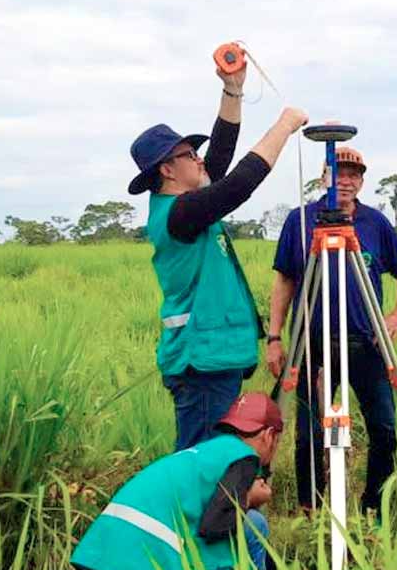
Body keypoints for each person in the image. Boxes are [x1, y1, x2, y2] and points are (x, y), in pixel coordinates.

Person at [127, 61, 308, 451]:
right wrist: (284, 125)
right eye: (190, 154)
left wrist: (233, 89)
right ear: (167, 170)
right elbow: (239, 183)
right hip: (201, 362)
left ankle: (219, 513)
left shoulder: (188, 205)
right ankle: (193, 515)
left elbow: (221, 158)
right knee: (203, 463)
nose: (199, 159)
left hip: (212, 359)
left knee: (214, 459)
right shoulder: (180, 214)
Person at [265, 146, 397, 517]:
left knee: (383, 427)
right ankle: (311, 509)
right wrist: (274, 337)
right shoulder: (300, 221)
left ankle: (373, 508)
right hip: (312, 345)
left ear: (362, 181)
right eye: (338, 173)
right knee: (309, 433)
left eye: (354, 175)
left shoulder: (375, 224)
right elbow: (284, 279)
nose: (345, 181)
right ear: (323, 178)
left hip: (366, 344)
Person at [54, 392, 283, 570]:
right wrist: (248, 498)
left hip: (102, 549)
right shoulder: (244, 457)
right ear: (269, 436)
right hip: (141, 564)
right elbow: (216, 527)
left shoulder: (203, 454)